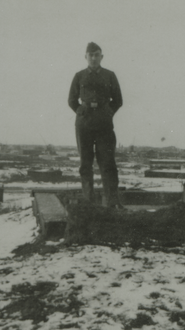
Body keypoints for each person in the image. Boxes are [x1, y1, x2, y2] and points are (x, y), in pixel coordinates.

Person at [68, 42, 123, 208]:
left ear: (101, 57)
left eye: (96, 55)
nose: (93, 58)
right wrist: (81, 112)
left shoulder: (110, 75)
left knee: (108, 163)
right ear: (86, 57)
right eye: (90, 55)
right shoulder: (79, 76)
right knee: (85, 164)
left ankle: (112, 202)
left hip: (104, 125)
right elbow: (71, 100)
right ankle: (89, 202)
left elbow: (118, 101)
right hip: (84, 124)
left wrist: (107, 113)